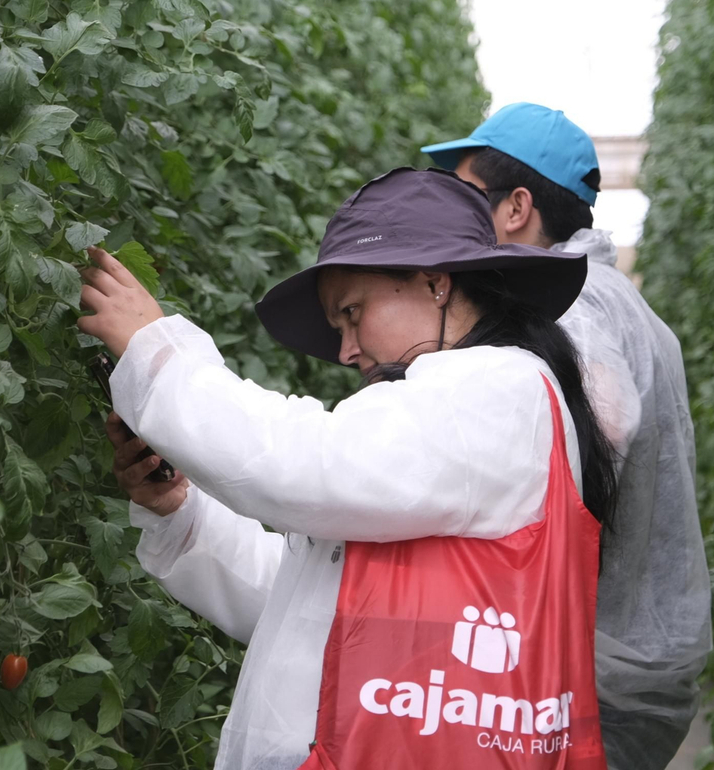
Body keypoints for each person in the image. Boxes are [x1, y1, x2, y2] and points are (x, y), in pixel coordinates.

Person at [78, 168, 620, 770]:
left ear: (435, 283)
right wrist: (179, 512)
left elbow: (301, 463)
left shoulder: (499, 391)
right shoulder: (440, 423)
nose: (345, 351)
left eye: (354, 312)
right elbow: (306, 605)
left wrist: (158, 354)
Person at [422, 103, 713, 770]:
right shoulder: (618, 298)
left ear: (516, 207)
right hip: (626, 661)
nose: (451, 217)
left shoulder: (571, 304)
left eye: (466, 197)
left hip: (587, 674)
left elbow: (605, 418)